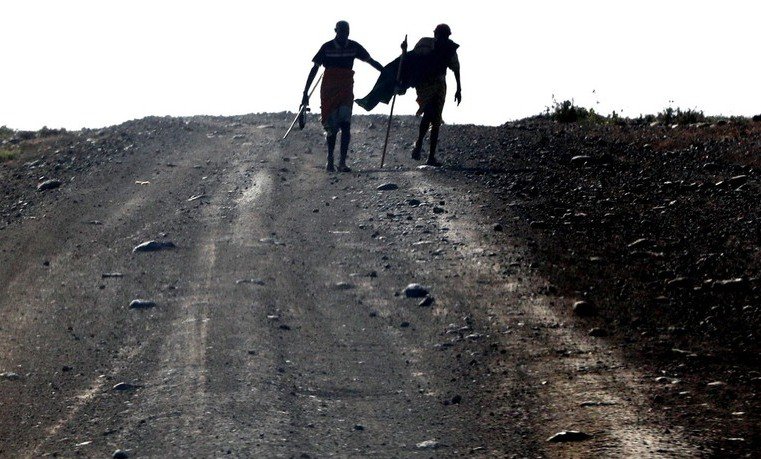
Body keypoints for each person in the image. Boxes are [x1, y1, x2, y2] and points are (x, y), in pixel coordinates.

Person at [302, 20, 384, 172]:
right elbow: (315, 69)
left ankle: (342, 163)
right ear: (336, 31)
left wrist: (386, 73)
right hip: (329, 89)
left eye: (346, 32)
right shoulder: (327, 47)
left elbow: (371, 61)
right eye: (341, 32)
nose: (344, 35)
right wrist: (305, 93)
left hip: (346, 89)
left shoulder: (354, 46)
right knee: (332, 127)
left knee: (346, 125)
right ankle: (330, 160)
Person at [410, 24, 462, 167]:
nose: (443, 38)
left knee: (435, 119)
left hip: (439, 84)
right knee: (429, 114)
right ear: (436, 35)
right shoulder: (424, 44)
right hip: (425, 85)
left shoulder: (449, 49)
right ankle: (420, 144)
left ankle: (430, 155)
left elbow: (456, 68)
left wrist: (459, 89)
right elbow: (412, 60)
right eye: (440, 35)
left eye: (445, 36)